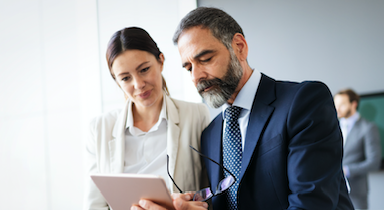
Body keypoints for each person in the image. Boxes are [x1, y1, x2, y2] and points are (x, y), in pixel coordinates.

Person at [137, 6, 354, 210]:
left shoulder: (303, 101)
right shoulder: (210, 134)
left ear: (239, 47)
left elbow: (310, 204)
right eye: (189, 68)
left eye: (205, 59)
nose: (196, 77)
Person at [83, 27, 211, 210]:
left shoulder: (197, 116)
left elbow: (212, 194)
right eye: (125, 78)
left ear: (161, 61)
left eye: (144, 69)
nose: (139, 84)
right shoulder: (99, 129)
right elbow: (94, 206)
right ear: (116, 81)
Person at [334, 88, 382, 209]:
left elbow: (374, 162)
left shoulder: (368, 128)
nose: (337, 109)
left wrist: (347, 170)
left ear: (353, 104)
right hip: (333, 190)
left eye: (342, 105)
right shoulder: (332, 126)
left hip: (356, 191)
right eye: (335, 105)